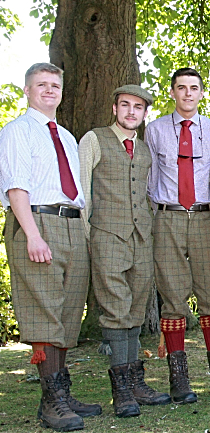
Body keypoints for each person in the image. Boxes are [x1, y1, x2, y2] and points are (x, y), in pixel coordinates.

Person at [0, 63, 101, 431]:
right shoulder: (17, 131)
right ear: (27, 90)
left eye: (55, 85)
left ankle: (61, 391)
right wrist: (31, 234)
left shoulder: (67, 137)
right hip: (38, 222)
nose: (49, 91)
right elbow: (16, 187)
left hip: (72, 225)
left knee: (67, 313)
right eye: (41, 85)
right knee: (44, 311)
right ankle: (51, 403)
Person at [146, 67, 210, 403]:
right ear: (172, 92)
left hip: (205, 218)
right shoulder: (154, 130)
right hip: (168, 218)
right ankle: (179, 378)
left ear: (202, 93)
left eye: (194, 88)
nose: (188, 93)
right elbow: (148, 179)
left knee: (209, 294)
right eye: (181, 88)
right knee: (172, 296)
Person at [79, 85, 171, 417]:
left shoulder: (144, 150)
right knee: (115, 307)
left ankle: (136, 383)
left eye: (138, 107)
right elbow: (81, 189)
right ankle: (121, 391)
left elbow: (147, 193)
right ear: (115, 108)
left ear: (144, 113)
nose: (132, 112)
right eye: (125, 106)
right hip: (107, 234)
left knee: (135, 308)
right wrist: (88, 233)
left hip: (141, 238)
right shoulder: (94, 139)